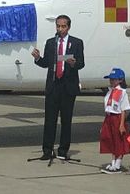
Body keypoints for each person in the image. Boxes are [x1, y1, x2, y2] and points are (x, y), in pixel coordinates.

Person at [31, 14, 85, 160]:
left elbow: (81, 63)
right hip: (54, 85)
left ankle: (63, 150)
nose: (60, 29)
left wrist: (74, 63)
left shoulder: (76, 43)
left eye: (63, 26)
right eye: (58, 26)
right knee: (50, 120)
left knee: (66, 120)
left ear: (68, 27)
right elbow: (46, 63)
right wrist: (37, 58)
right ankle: (47, 150)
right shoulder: (51, 42)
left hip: (68, 86)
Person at [99, 68, 130, 174]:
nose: (111, 81)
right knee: (110, 140)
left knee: (119, 141)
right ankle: (113, 162)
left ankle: (118, 164)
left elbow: (123, 110)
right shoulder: (110, 91)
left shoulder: (122, 92)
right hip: (109, 118)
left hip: (117, 118)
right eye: (111, 79)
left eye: (114, 79)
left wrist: (121, 124)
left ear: (120, 80)